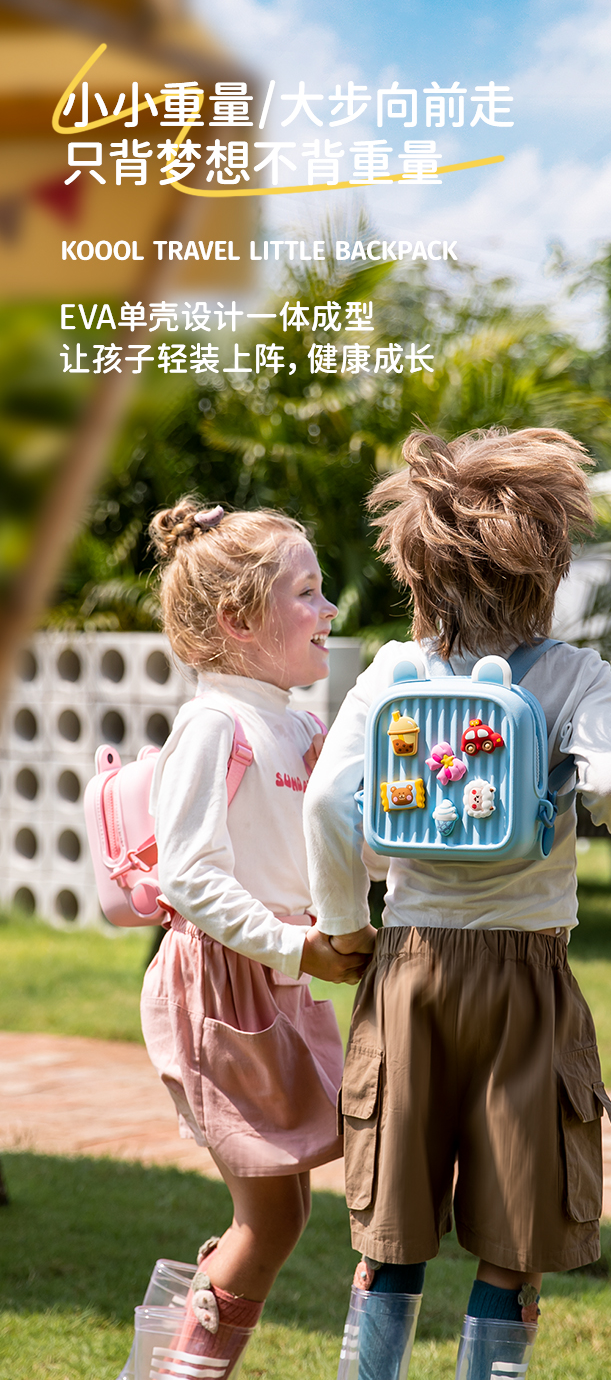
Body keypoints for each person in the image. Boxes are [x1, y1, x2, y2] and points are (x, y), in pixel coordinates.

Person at [303, 427, 611, 1381]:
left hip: (410, 966)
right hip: (527, 975)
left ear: (416, 565)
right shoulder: (573, 674)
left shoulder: (392, 672)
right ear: (545, 564)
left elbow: (327, 805)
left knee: (391, 1234)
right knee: (516, 1235)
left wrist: (345, 925)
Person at [137, 498, 368, 1380]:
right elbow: (189, 878)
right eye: (307, 594)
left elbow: (337, 845)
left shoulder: (301, 725)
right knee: (268, 1219)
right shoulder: (213, 726)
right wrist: (300, 947)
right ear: (239, 620)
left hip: (275, 979)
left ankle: (178, 1361)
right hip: (225, 986)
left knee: (281, 1217)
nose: (329, 609)